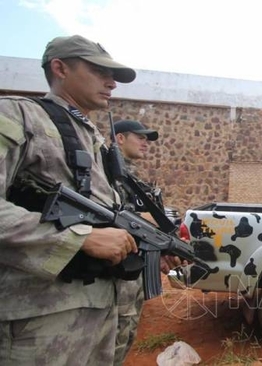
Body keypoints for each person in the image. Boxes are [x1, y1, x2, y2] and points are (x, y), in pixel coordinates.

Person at [0, 35, 138, 364]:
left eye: (114, 76)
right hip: (40, 319)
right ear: (60, 68)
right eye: (100, 71)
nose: (112, 83)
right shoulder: (20, 116)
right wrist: (79, 238)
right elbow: (87, 233)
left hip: (101, 312)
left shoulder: (95, 141)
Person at [111, 119, 161, 365]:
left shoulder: (128, 173)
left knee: (126, 334)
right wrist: (144, 218)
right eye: (139, 137)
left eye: (147, 139)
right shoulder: (111, 171)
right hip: (117, 275)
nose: (145, 143)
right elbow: (111, 213)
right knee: (114, 340)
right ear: (120, 138)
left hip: (133, 269)